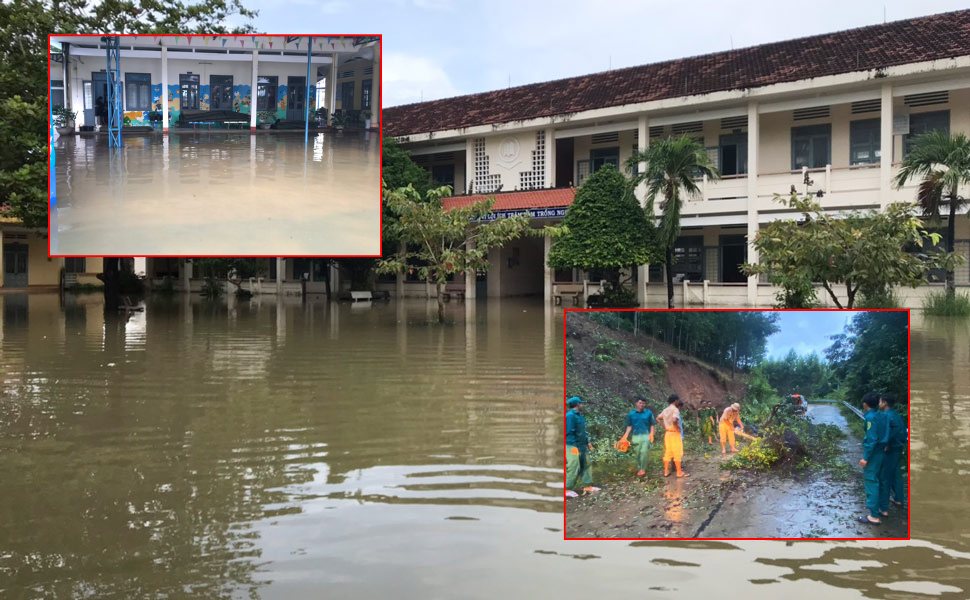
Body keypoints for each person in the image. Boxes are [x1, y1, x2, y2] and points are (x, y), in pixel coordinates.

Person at [859, 392, 890, 525]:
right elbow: (888, 432)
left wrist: (865, 458)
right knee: (882, 481)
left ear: (865, 404)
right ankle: (884, 509)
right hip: (883, 452)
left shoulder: (870, 417)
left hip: (874, 454)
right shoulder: (883, 415)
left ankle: (873, 516)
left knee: (871, 482)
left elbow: (872, 439)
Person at [879, 392, 908, 514]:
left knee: (885, 478)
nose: (879, 403)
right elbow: (903, 432)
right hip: (899, 448)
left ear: (884, 402)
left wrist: (886, 444)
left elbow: (890, 432)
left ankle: (883, 508)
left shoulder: (886, 416)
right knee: (897, 475)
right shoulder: (896, 415)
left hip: (890, 450)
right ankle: (899, 499)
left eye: (880, 401)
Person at [565, 396, 598, 498]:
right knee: (574, 465)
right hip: (572, 446)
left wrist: (588, 442)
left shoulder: (580, 416)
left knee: (586, 463)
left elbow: (582, 432)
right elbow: (568, 432)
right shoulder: (570, 416)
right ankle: (566, 489)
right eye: (581, 403)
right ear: (577, 404)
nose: (583, 405)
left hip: (582, 445)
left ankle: (587, 486)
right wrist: (575, 446)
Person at [620, 397, 656, 477]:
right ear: (636, 403)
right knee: (637, 453)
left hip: (646, 435)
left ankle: (643, 469)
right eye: (640, 403)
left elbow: (652, 424)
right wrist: (624, 437)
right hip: (635, 436)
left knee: (644, 452)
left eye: (643, 403)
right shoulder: (631, 414)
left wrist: (652, 434)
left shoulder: (648, 413)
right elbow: (629, 426)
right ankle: (640, 467)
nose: (642, 405)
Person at [657, 394, 688, 478]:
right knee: (677, 451)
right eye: (678, 400)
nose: (678, 401)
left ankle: (666, 471)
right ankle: (679, 472)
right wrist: (677, 427)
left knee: (668, 452)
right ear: (675, 401)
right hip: (674, 433)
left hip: (668, 433)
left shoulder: (665, 410)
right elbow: (674, 420)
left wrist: (664, 427)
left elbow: (658, 418)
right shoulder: (675, 410)